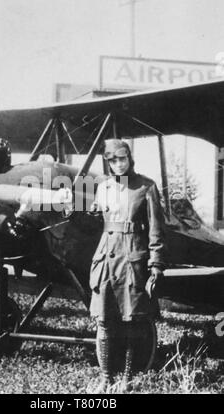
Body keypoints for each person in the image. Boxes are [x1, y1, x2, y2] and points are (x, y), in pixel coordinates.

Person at [89, 138, 167, 392]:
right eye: (113, 160)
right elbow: (94, 222)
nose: (118, 164)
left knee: (131, 322)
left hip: (131, 261)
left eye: (122, 159)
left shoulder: (146, 187)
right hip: (106, 259)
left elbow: (156, 230)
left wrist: (156, 264)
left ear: (130, 159)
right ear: (108, 162)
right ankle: (105, 379)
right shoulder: (103, 188)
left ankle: (126, 379)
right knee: (104, 321)